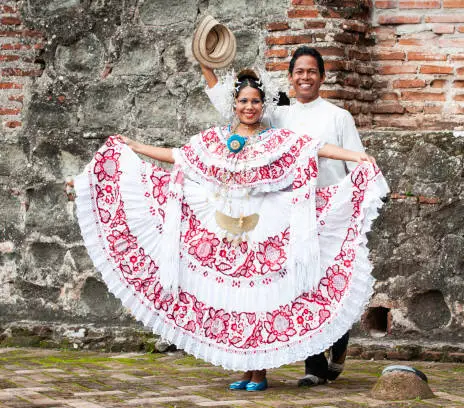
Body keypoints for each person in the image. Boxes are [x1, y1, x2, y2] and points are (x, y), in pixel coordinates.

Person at [75, 69, 388, 392]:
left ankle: (260, 372)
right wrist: (135, 145)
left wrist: (356, 156)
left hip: (264, 229)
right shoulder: (215, 140)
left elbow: (315, 148)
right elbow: (178, 156)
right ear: (234, 104)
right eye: (243, 101)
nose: (249, 107)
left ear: (263, 105)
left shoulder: (276, 139)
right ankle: (244, 369)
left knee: (259, 299)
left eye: (255, 101)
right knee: (237, 301)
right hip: (225, 230)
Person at [201, 46, 365, 387]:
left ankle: (338, 338)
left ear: (322, 76)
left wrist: (357, 206)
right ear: (290, 77)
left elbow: (356, 161)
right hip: (291, 211)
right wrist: (205, 62)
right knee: (298, 284)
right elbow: (234, 104)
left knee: (328, 281)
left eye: (312, 71)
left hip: (331, 208)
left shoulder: (339, 116)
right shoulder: (280, 115)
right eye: (299, 71)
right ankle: (314, 365)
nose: (305, 77)